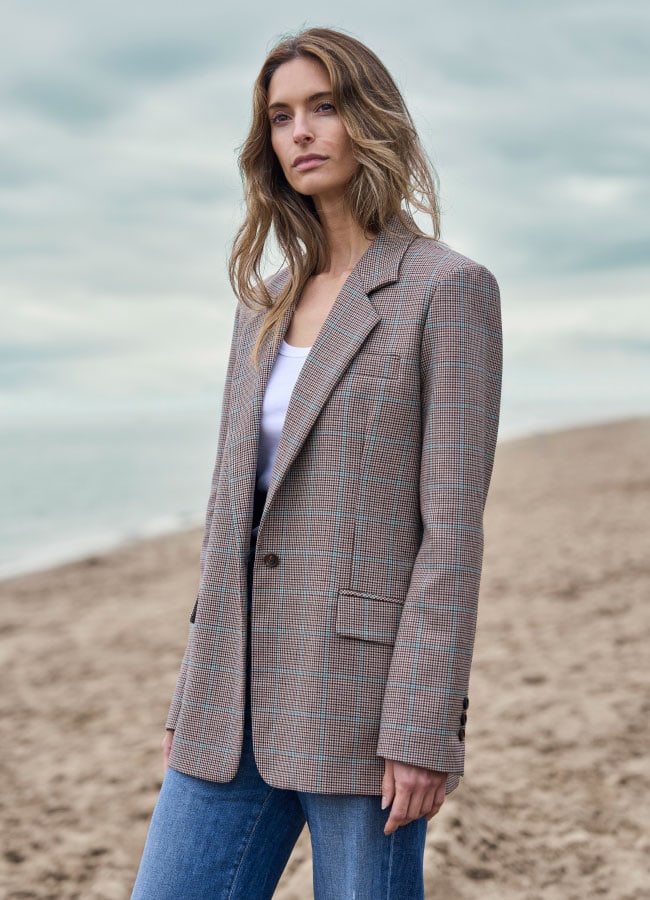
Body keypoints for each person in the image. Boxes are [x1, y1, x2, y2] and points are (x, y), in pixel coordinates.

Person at [131, 26, 502, 900]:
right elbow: (233, 517)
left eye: (323, 108)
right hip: (232, 699)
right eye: (281, 116)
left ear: (368, 119)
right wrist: (192, 695)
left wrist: (423, 727)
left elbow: (451, 533)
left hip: (362, 707)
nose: (300, 131)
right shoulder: (261, 306)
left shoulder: (446, 291)